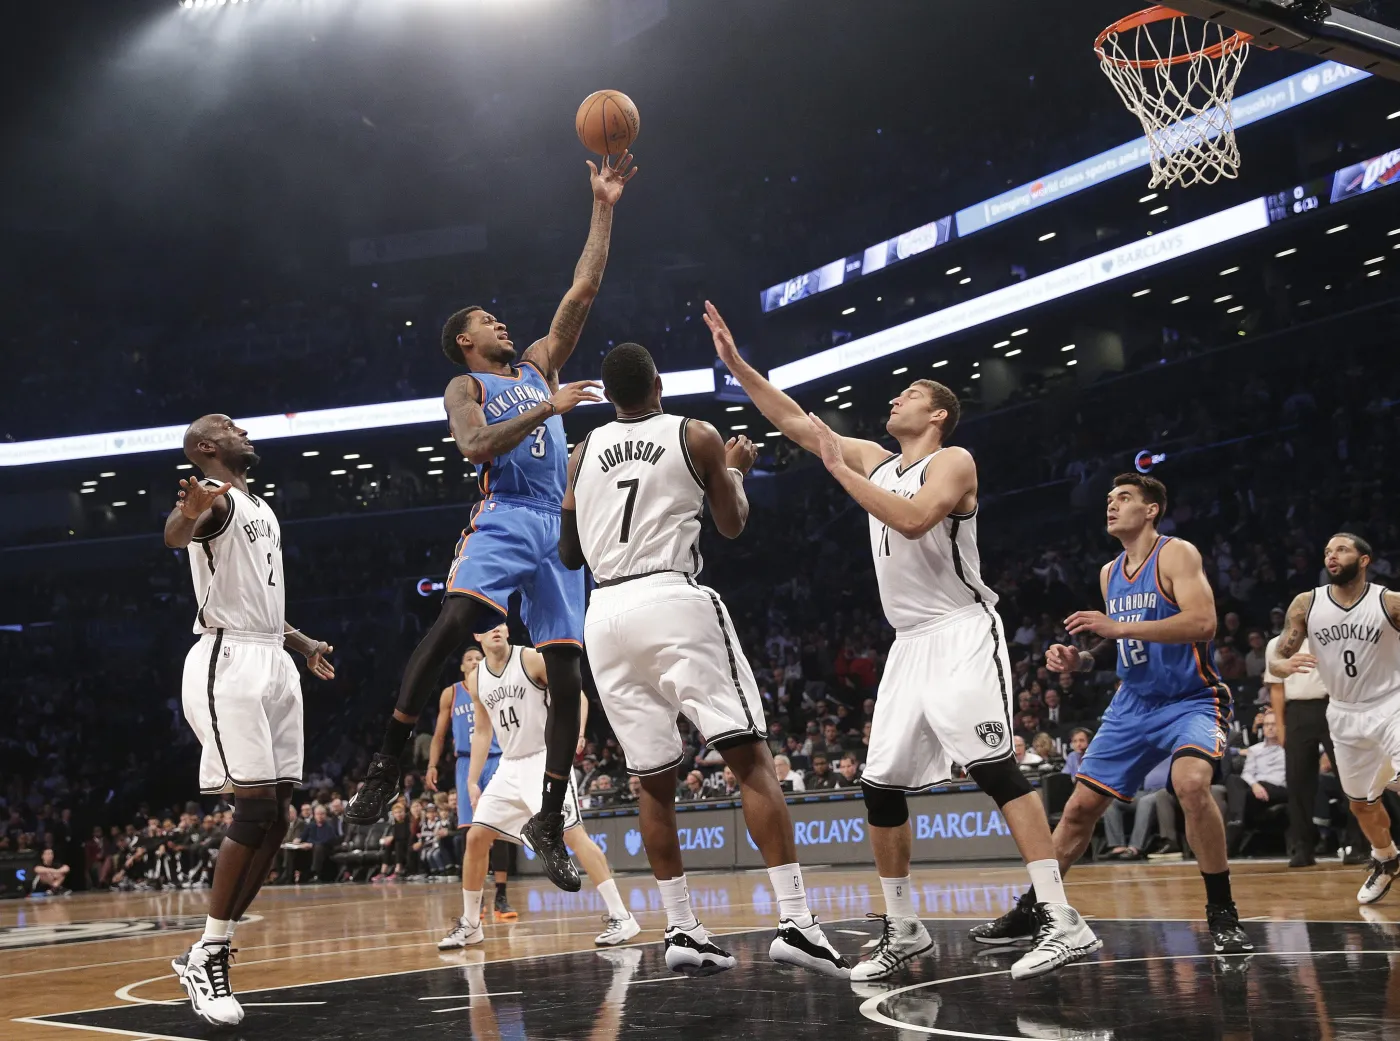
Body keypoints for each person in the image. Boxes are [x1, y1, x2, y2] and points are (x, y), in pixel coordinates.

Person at [706, 302, 1093, 982]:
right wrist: (737, 366)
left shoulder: (954, 460)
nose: (895, 397)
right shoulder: (878, 460)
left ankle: (1063, 918)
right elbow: (797, 422)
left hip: (961, 629)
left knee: (994, 766)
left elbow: (914, 522)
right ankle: (904, 926)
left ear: (938, 413)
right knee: (879, 785)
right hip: (908, 642)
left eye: (909, 393)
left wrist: (840, 473)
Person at [346, 154, 638, 898]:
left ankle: (547, 815)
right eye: (486, 321)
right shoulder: (469, 384)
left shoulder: (540, 362)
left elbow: (584, 289)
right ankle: (385, 763)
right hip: (505, 515)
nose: (501, 321)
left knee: (570, 675)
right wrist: (547, 410)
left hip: (558, 524)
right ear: (466, 343)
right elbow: (475, 446)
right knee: (451, 626)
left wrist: (601, 205)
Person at [558, 341, 848, 978]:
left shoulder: (578, 456)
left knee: (652, 782)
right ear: (657, 382)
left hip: (603, 615)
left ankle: (682, 928)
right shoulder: (696, 434)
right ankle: (797, 922)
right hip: (671, 596)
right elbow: (732, 524)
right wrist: (736, 470)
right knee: (750, 757)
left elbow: (570, 553)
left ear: (606, 397)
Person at [970, 473, 1250, 955]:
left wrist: (1116, 625)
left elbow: (1202, 623)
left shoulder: (1176, 553)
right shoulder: (1109, 572)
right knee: (1079, 809)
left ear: (1151, 509)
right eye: (1109, 499)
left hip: (1190, 698)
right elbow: (1126, 640)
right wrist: (1083, 659)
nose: (1112, 505)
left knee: (1190, 783)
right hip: (1133, 703)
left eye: (1124, 498)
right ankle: (1033, 908)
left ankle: (1221, 911)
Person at [164, 414, 336, 1026]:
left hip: (272, 656)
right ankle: (209, 951)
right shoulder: (213, 500)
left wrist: (302, 642)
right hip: (227, 659)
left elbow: (261, 601)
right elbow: (177, 534)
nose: (246, 432)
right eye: (231, 427)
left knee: (280, 813)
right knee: (255, 807)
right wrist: (186, 513)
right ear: (208, 447)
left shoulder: (256, 504)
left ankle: (212, 947)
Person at [437, 625, 638, 949]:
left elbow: (578, 696)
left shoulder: (530, 659)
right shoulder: (476, 679)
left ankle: (622, 915)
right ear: (477, 636)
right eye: (487, 627)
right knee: (476, 837)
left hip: (545, 762)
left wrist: (577, 732)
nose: (496, 630)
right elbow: (483, 731)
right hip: (509, 765)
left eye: (500, 623)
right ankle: (472, 924)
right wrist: (472, 780)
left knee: (573, 835)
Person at [1271, 533, 1400, 903]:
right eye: (1327, 550)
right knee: (1361, 804)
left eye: (1341, 549)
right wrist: (1284, 664)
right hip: (1343, 712)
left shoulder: (1388, 602)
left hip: (1392, 702)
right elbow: (1278, 658)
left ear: (1364, 560)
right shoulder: (1306, 604)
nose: (1331, 556)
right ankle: (1387, 859)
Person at [426, 646, 515, 920]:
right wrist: (432, 764)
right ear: (462, 667)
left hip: (498, 759)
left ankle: (502, 896)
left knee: (498, 831)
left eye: (479, 658)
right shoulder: (451, 693)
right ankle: (478, 898)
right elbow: (440, 735)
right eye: (469, 659)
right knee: (469, 832)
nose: (475, 661)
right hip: (466, 762)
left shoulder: (498, 685)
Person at [1264, 625, 1362, 868]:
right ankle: (1303, 848)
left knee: (1350, 779)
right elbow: (1276, 688)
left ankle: (1359, 844)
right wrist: (1281, 725)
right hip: (1296, 711)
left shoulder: (1335, 639)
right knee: (1298, 782)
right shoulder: (1277, 645)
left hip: (1335, 706)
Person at [1225, 710, 1288, 855]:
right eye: (1266, 724)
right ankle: (1237, 821)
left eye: (1273, 724)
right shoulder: (1255, 749)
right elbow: (1247, 773)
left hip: (1281, 788)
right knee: (1234, 780)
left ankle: (1234, 836)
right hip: (1258, 789)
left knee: (1245, 795)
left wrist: (1258, 785)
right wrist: (1255, 785)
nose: (1270, 728)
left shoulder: (1289, 748)